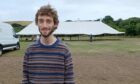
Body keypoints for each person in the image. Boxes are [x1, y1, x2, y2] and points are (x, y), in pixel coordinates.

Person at [22, 4, 74, 84]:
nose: (44, 25)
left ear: (55, 24)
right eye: (41, 21)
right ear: (37, 23)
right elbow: (25, 80)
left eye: (48, 21)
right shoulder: (29, 51)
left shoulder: (64, 51)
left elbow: (70, 81)